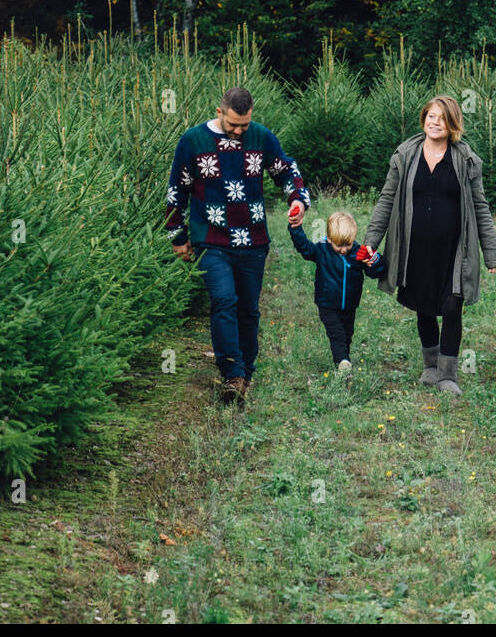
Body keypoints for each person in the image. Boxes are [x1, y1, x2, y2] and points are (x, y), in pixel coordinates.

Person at [164, 86, 309, 404]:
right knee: (224, 301)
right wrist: (177, 235)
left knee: (248, 309)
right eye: (233, 125)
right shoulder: (194, 141)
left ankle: (247, 370)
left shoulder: (261, 137)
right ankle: (232, 375)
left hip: (253, 239)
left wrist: (297, 199)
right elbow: (177, 189)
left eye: (244, 124)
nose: (239, 131)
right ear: (219, 113)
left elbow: (285, 170)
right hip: (211, 239)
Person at [363, 95, 496, 396]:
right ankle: (430, 366)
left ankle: (448, 374)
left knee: (452, 304)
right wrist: (370, 243)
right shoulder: (405, 155)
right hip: (414, 248)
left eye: (441, 118)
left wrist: (490, 252)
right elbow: (387, 199)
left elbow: (480, 206)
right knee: (422, 303)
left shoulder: (465, 159)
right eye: (430, 116)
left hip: (454, 250)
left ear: (452, 124)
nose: (434, 122)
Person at [288, 211, 386, 373]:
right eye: (338, 245)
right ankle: (343, 361)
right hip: (327, 304)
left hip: (349, 305)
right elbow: (305, 249)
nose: (343, 249)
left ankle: (342, 361)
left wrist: (373, 259)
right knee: (337, 334)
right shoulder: (322, 250)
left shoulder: (357, 252)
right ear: (330, 239)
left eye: (347, 244)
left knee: (347, 335)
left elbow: (374, 272)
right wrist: (296, 229)